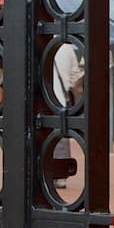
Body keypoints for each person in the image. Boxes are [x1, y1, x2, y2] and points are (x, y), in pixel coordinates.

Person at [47, 43, 85, 189]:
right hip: (61, 98)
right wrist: (68, 86)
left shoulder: (43, 45)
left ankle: (46, 171)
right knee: (61, 137)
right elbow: (76, 74)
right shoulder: (68, 48)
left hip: (43, 98)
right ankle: (61, 175)